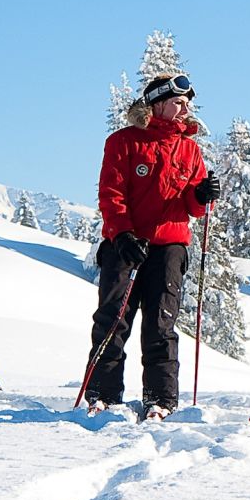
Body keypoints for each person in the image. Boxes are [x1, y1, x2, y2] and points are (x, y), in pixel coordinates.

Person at [87, 72, 217, 420]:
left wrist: (203, 196)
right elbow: (110, 192)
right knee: (113, 320)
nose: (184, 109)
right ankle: (103, 394)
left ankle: (161, 400)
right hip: (125, 244)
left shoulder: (190, 149)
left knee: (161, 324)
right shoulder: (124, 141)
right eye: (178, 102)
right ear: (157, 103)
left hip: (170, 246)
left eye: (187, 103)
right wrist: (122, 233)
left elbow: (194, 206)